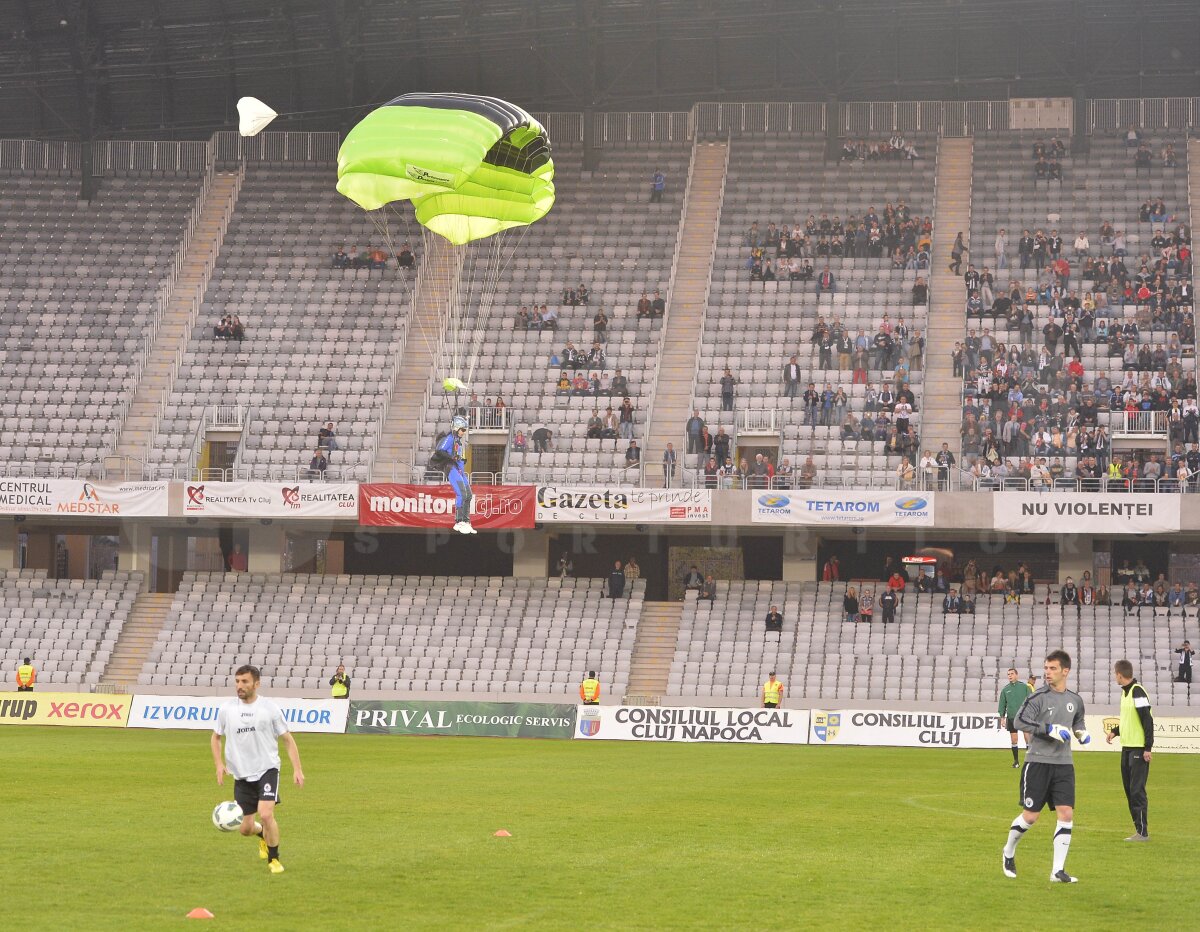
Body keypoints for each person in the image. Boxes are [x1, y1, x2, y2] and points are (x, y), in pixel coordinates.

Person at [1002, 650, 1089, 883]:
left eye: (1052, 668)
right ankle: (1008, 850)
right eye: (1046, 668)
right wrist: (1048, 729)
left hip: (1064, 764)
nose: (1047, 673)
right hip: (1038, 762)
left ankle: (1057, 871)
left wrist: (1081, 732)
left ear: (1065, 671)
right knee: (1030, 817)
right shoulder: (1038, 697)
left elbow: (1078, 719)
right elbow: (1019, 721)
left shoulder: (1075, 700)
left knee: (1066, 813)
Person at [211, 664, 305, 875]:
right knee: (245, 829)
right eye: (237, 681)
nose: (239, 685)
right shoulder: (226, 709)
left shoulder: (269, 709)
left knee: (266, 814)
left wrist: (297, 769)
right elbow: (215, 737)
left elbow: (287, 739)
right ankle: (262, 835)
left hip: (267, 769)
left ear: (256, 684)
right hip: (241, 774)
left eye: (244, 681)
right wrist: (218, 764)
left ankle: (274, 859)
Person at [1106, 659, 1154, 841]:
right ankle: (1138, 830)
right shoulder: (1125, 693)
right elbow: (1129, 720)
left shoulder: (1137, 691)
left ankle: (1143, 833)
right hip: (1126, 748)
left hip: (1138, 749)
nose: (1114, 676)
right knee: (1129, 790)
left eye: (1115, 673)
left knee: (1137, 790)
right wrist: (1115, 731)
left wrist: (1148, 747)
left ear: (1119, 675)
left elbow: (1147, 719)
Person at [430, 414, 475, 534]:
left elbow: (458, 457)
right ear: (456, 428)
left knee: (469, 495)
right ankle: (459, 521)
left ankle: (466, 521)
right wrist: (451, 457)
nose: (464, 432)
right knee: (462, 493)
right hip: (452, 468)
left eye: (465, 430)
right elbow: (439, 450)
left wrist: (461, 460)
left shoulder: (458, 442)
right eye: (462, 430)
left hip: (459, 470)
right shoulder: (450, 438)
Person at [997, 668, 1033, 768]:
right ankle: (1016, 761)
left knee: (1027, 738)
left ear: (1017, 675)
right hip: (1011, 717)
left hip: (1024, 717)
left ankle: (1029, 761)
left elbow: (1032, 700)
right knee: (1014, 740)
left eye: (1012, 674)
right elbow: (1002, 704)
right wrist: (1002, 718)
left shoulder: (1024, 687)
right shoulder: (1005, 689)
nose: (1010, 676)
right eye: (1008, 674)